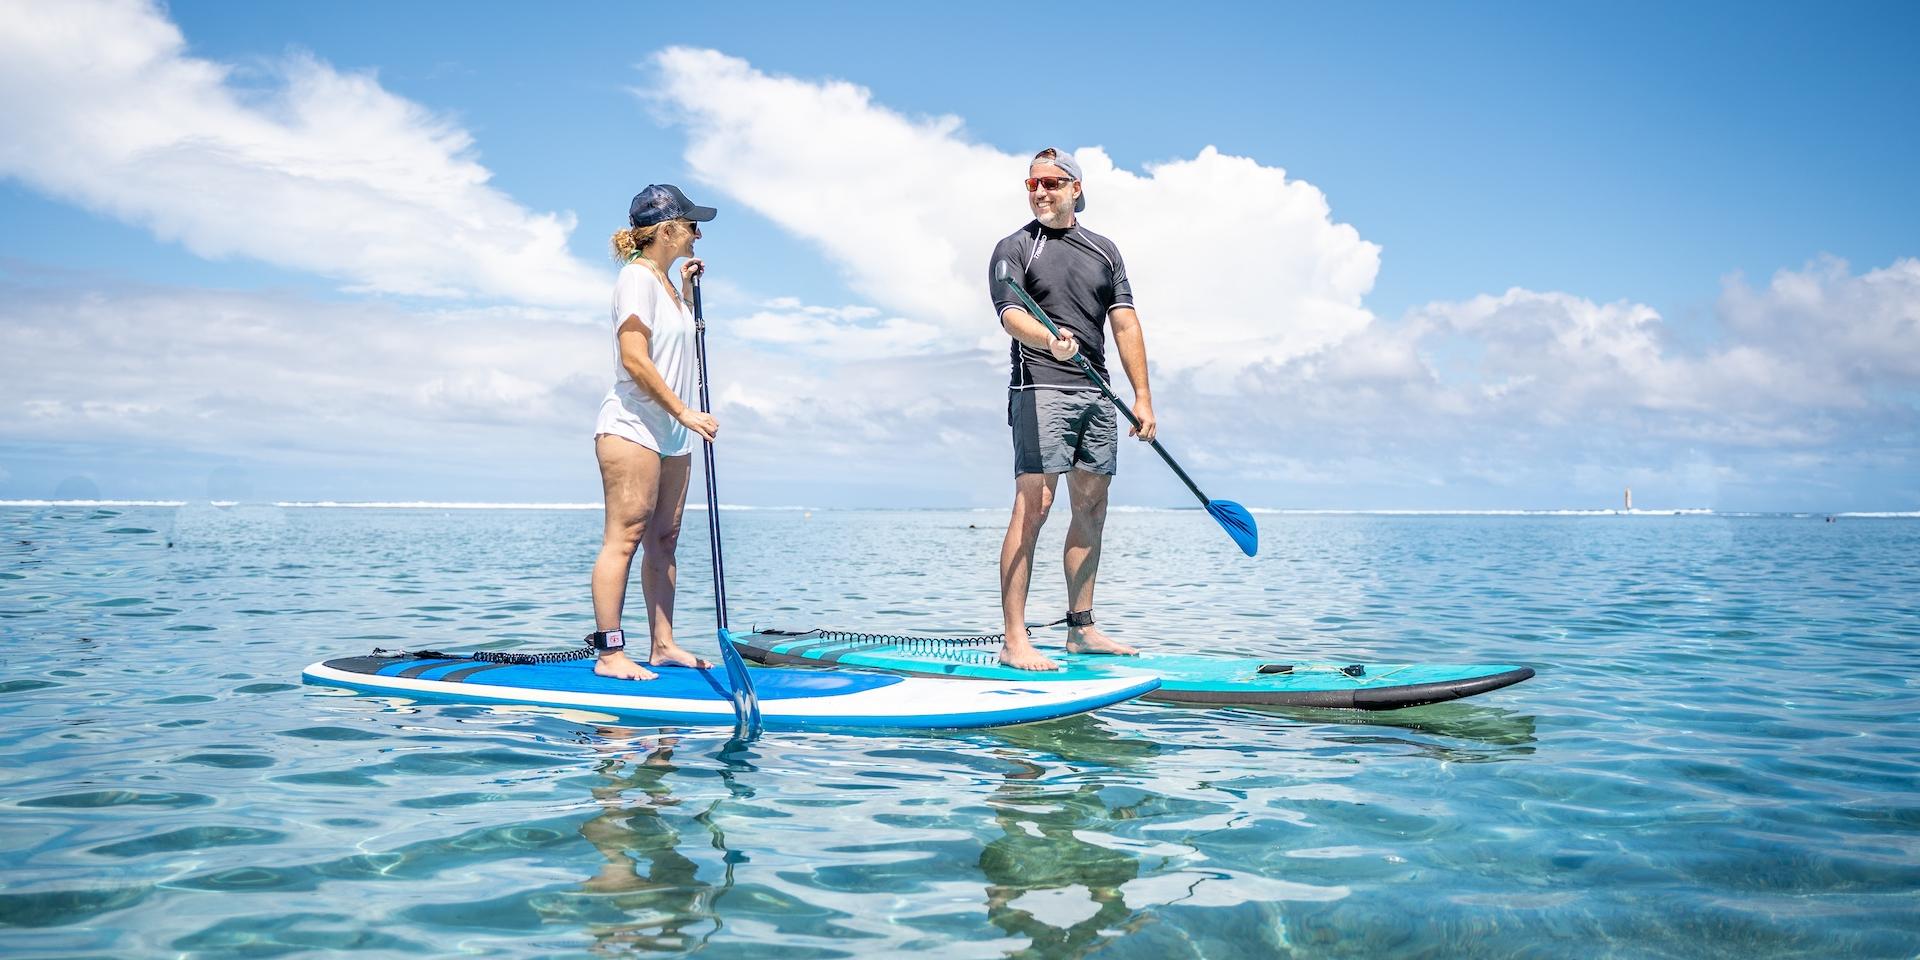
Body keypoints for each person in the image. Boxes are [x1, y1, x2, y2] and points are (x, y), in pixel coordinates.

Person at [987, 148, 1157, 671]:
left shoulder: (1104, 251)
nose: (1041, 192)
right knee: (1033, 507)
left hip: (1098, 392)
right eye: (1033, 184)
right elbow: (1011, 316)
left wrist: (1142, 396)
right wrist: (1050, 341)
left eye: (1052, 184)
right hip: (1039, 387)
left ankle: (1080, 629)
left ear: (1076, 189)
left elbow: (1125, 324)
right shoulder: (1015, 247)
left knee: (1092, 506)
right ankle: (1015, 638)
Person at [587, 184, 720, 680]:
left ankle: (663, 645)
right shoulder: (636, 279)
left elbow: (672, 345)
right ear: (666, 230)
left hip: (671, 435)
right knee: (625, 537)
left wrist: (684, 291)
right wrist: (685, 411)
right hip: (632, 426)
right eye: (690, 224)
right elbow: (634, 359)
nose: (697, 232)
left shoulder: (664, 283)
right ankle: (610, 654)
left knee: (664, 539)